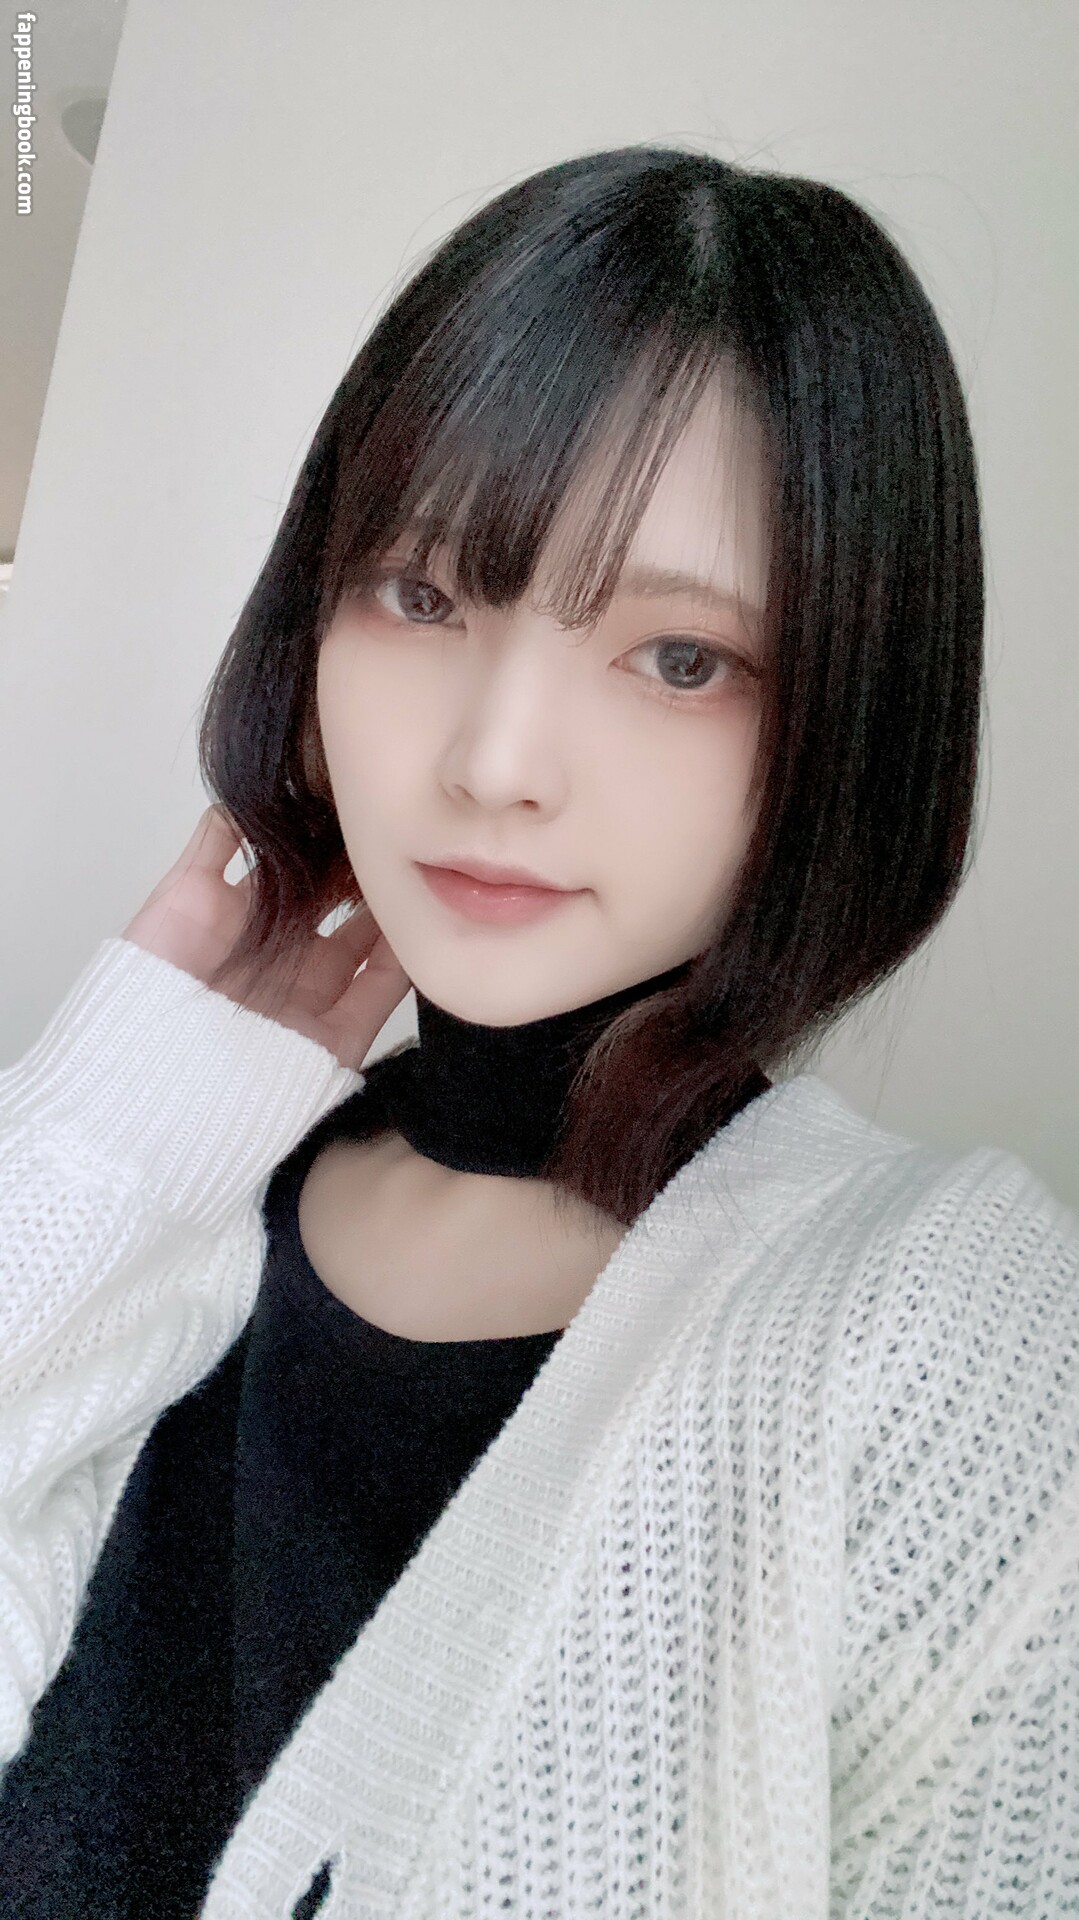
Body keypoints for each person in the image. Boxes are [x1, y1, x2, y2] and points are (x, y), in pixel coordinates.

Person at [0, 143, 1076, 1920]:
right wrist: (115, 1124)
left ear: (852, 718)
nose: (493, 763)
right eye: (423, 596)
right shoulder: (185, 1180)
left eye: (680, 660)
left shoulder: (947, 1338)